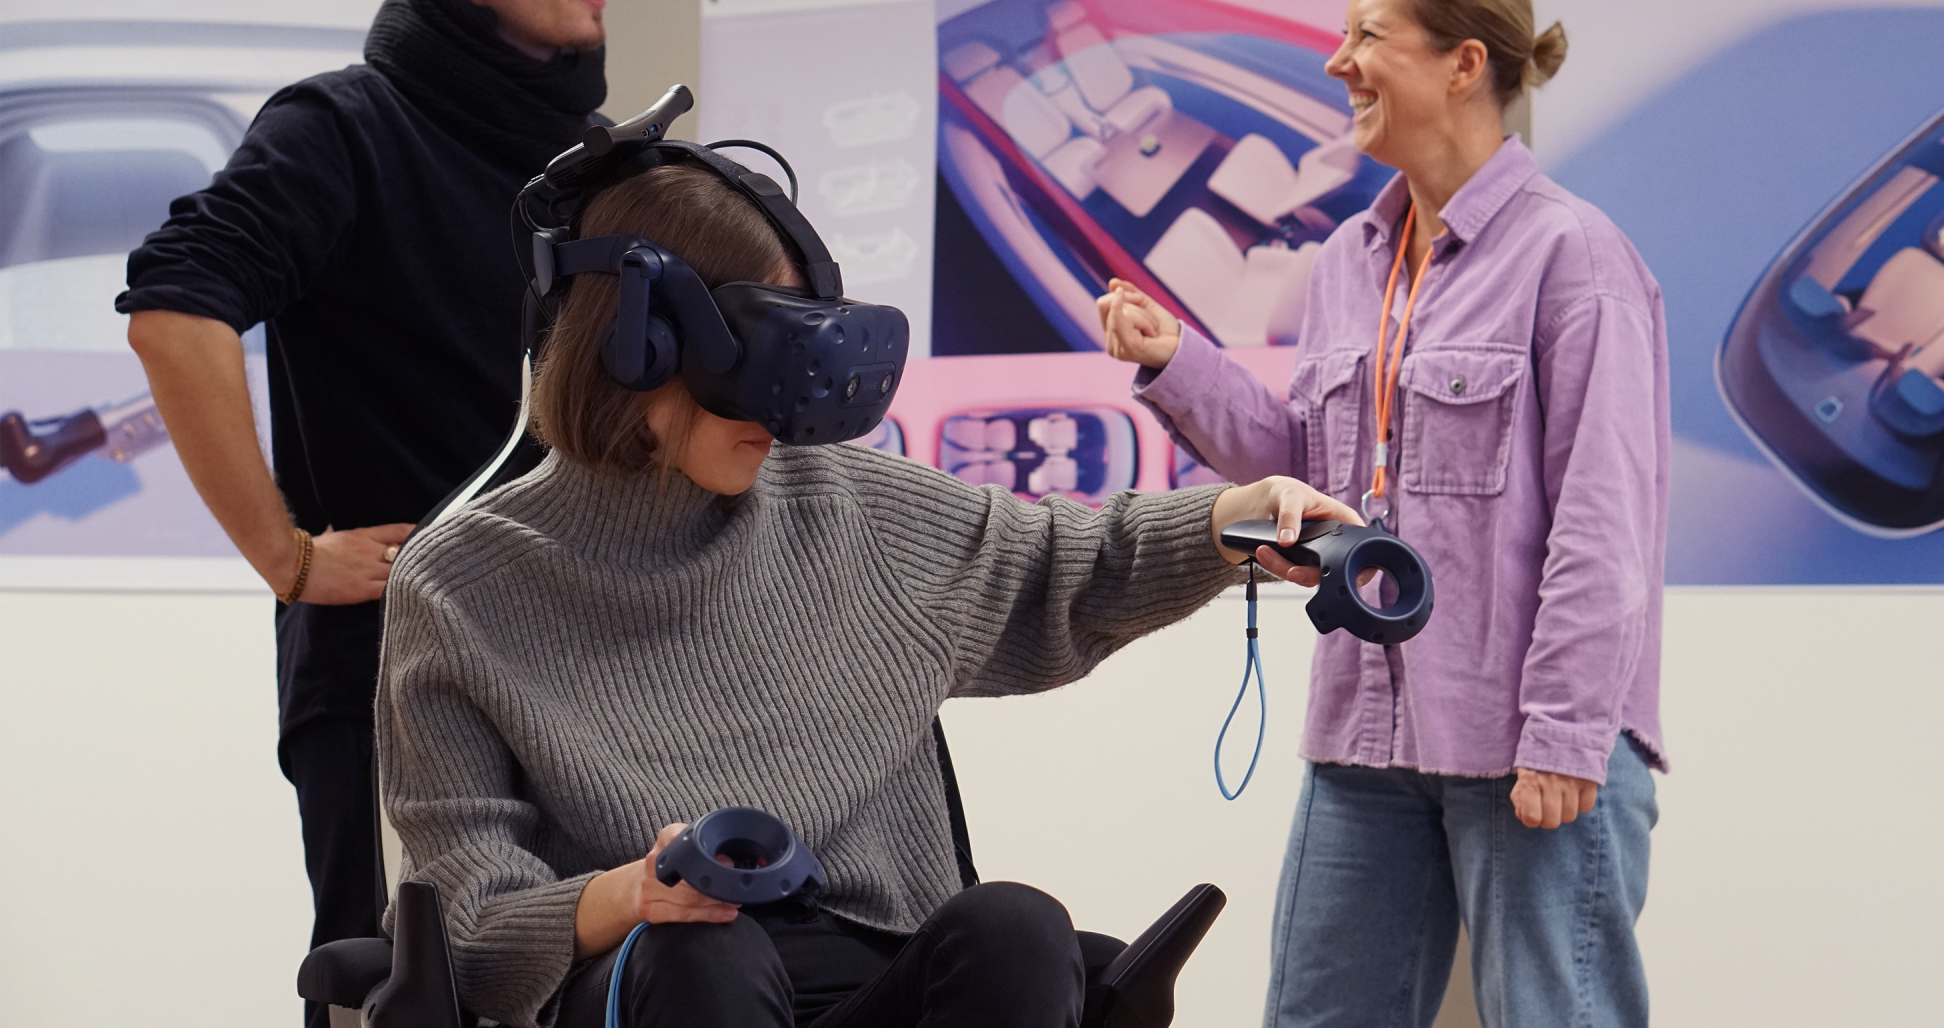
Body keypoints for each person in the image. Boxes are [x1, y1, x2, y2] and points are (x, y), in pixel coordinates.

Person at [376, 160, 1356, 1028]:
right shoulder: (461, 586)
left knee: (1014, 926)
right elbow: (466, 924)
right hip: (661, 972)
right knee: (707, 949)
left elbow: (1071, 565)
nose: (785, 405)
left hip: (872, 971)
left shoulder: (843, 504)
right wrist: (634, 894)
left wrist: (1237, 517)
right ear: (636, 344)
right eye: (761, 354)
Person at [1097, 0, 1668, 1027]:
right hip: (1363, 734)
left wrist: (1559, 731)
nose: (1336, 60)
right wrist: (1174, 362)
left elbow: (1605, 520)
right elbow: (1306, 473)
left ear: (1462, 62)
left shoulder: (1573, 256)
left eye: (1367, 35)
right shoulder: (1348, 261)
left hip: (1524, 741)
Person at [116, 0, 617, 1023]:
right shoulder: (344, 126)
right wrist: (286, 556)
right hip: (391, 677)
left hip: (584, 668)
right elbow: (174, 308)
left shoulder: (589, 164)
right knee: (397, 997)